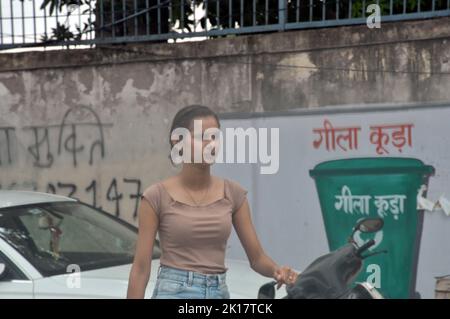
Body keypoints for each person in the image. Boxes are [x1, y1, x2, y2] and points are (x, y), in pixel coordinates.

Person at [127, 104, 298, 299]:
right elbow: (140, 269)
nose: (210, 143)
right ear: (178, 141)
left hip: (219, 292)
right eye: (201, 137)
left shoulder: (233, 193)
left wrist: (277, 271)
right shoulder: (156, 196)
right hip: (174, 291)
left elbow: (257, 258)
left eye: (215, 136)